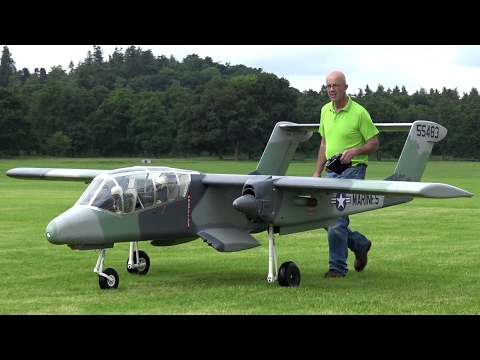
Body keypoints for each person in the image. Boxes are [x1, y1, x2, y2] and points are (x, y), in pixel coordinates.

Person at [313, 70, 379, 278]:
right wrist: (316, 172)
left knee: (336, 220)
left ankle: (337, 268)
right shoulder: (325, 111)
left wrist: (356, 151)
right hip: (331, 173)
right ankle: (360, 244)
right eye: (328, 86)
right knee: (326, 219)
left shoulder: (359, 112)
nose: (331, 90)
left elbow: (374, 143)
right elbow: (324, 143)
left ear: (345, 88)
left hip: (353, 171)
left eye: (335, 86)